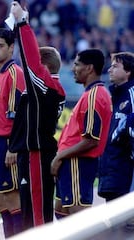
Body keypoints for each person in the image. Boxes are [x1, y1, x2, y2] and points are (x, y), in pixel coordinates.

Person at [6, 1, 66, 230]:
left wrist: (23, 24)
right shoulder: (47, 88)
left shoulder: (48, 87)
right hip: (30, 152)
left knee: (38, 215)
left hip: (38, 153)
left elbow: (30, 61)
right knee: (30, 213)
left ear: (44, 67)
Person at [51, 48, 112, 219]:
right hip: (71, 164)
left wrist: (59, 156)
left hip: (77, 164)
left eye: (77, 64)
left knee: (78, 220)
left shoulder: (94, 96)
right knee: (61, 212)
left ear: (89, 68)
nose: (73, 68)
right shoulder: (91, 94)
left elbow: (91, 140)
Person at [0, 28, 25, 238]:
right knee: (0, 201)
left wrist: (13, 146)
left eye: (0, 46)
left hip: (7, 143)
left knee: (12, 200)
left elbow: (17, 115)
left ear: (11, 47)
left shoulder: (14, 73)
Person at [98, 52, 134, 202]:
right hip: (112, 172)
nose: (109, 70)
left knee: (127, 223)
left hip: (126, 173)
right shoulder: (114, 97)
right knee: (115, 223)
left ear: (128, 71)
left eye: (115, 66)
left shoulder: (132, 95)